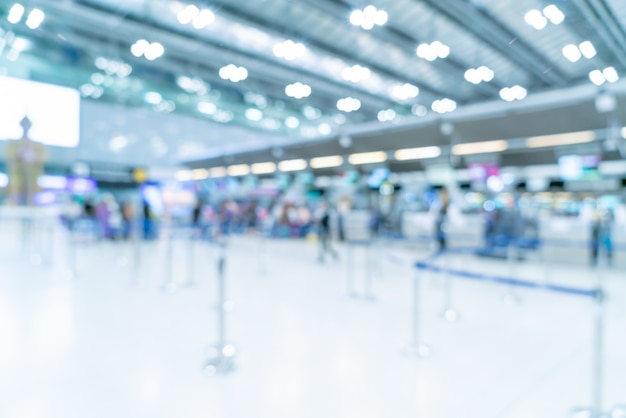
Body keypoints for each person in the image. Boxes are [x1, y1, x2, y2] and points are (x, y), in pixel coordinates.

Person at [433, 186, 449, 252]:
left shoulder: (448, 201)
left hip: (444, 221)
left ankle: (443, 247)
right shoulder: (438, 201)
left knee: (443, 234)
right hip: (439, 222)